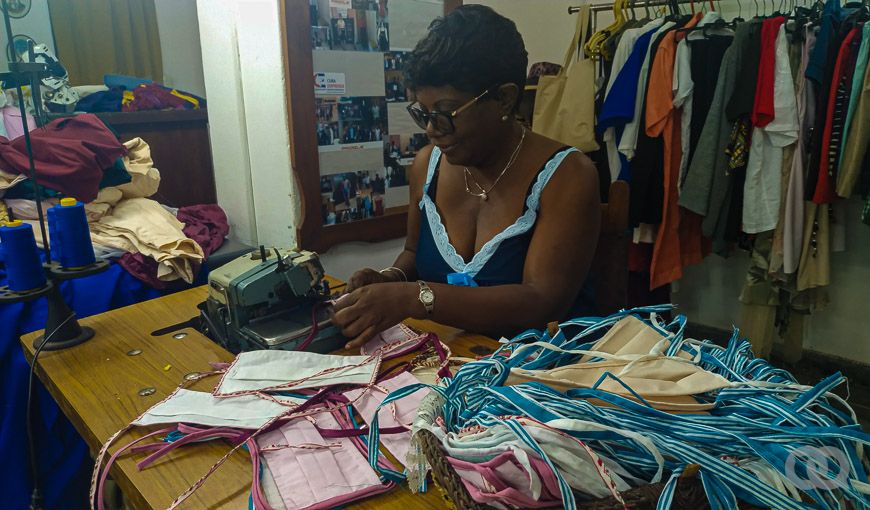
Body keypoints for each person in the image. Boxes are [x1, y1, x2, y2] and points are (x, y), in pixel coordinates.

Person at [333, 5, 600, 347]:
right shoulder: (427, 165)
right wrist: (389, 280)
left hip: (545, 374)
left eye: (445, 113)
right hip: (456, 355)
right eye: (423, 113)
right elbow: (415, 254)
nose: (431, 130)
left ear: (504, 99)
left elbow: (541, 303)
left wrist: (413, 298)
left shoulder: (567, 176)